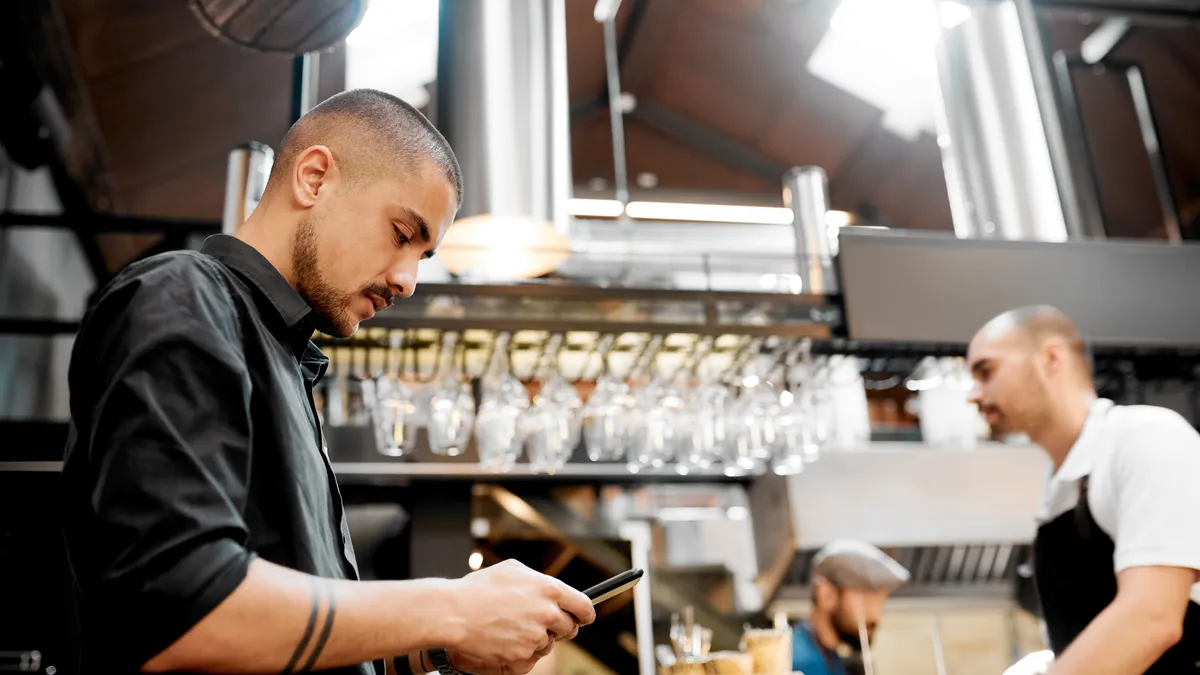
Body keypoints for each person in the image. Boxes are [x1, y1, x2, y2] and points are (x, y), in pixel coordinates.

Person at [61, 89, 595, 675]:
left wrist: (430, 651)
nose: (408, 280)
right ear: (314, 178)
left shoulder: (287, 362)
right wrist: (452, 610)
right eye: (401, 233)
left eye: (424, 254)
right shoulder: (182, 294)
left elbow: (276, 630)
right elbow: (174, 606)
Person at [967, 305, 1200, 674]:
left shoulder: (1145, 438)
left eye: (986, 371)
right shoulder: (1056, 490)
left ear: (1051, 358)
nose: (973, 394)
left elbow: (1152, 617)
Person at [791, 540, 910, 675]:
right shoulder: (795, 662)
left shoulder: (831, 657)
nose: (876, 616)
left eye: (880, 605)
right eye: (866, 603)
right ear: (826, 594)